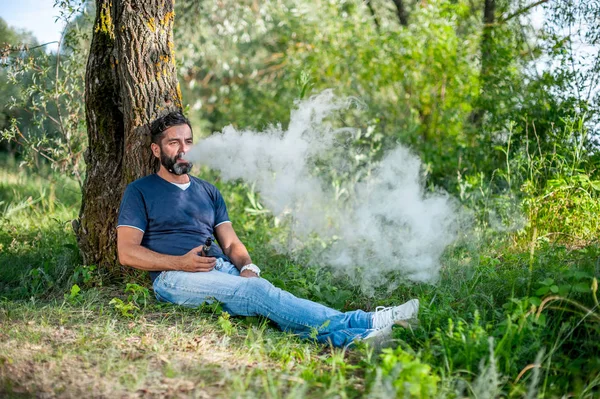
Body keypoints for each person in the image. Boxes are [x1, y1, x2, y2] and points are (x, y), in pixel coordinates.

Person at [116, 111, 419, 348]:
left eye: (189, 142)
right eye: (174, 143)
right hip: (174, 278)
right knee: (259, 294)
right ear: (156, 150)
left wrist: (248, 266)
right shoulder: (140, 191)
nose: (184, 150)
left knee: (267, 302)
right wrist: (179, 263)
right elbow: (126, 253)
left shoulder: (208, 191)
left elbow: (231, 243)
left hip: (219, 269)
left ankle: (357, 336)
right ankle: (366, 323)